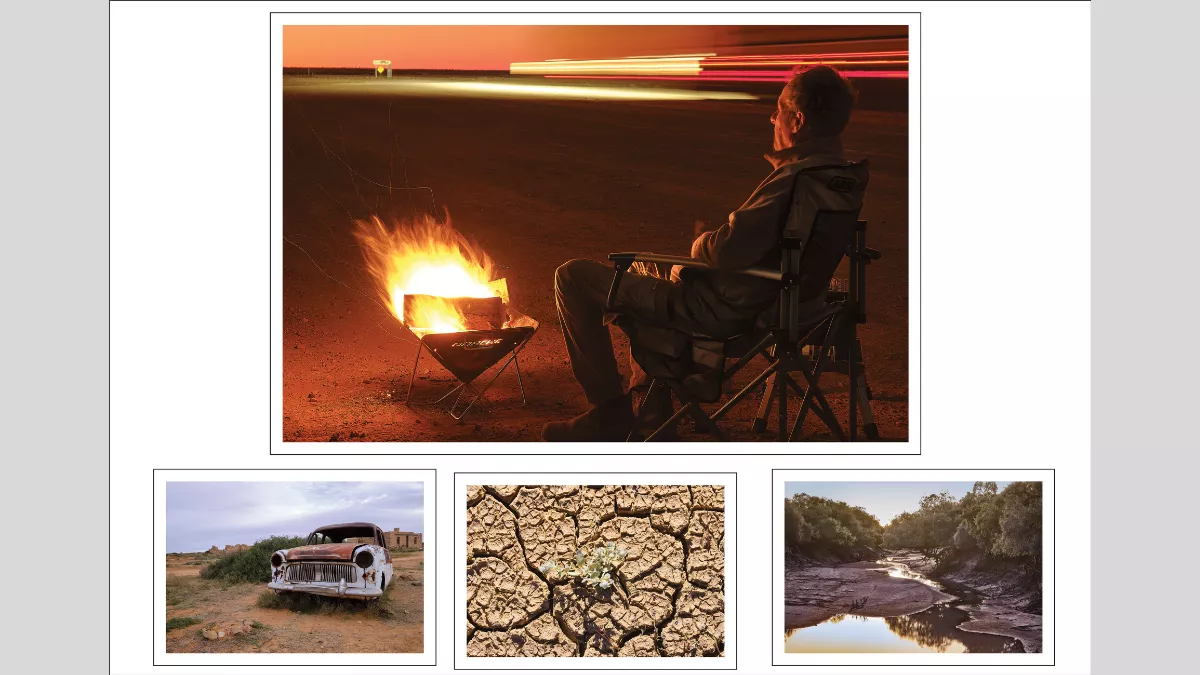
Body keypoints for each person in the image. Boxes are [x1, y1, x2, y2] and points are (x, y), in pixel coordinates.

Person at [543, 65, 860, 442]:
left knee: (574, 277)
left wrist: (701, 243)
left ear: (799, 119)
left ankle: (610, 412)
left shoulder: (794, 178)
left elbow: (726, 250)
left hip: (727, 310)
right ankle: (653, 416)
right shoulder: (841, 177)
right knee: (646, 274)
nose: (772, 118)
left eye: (779, 110)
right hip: (793, 307)